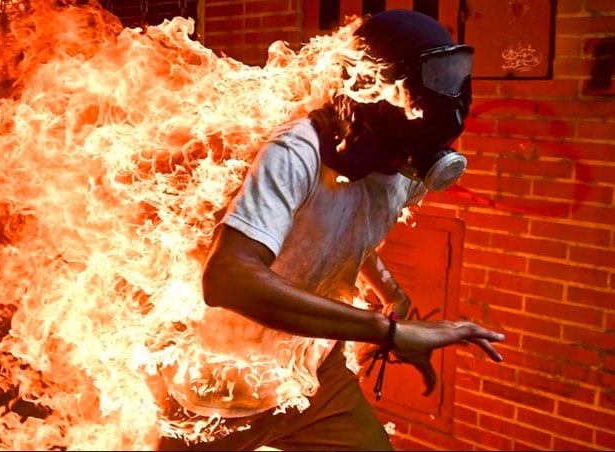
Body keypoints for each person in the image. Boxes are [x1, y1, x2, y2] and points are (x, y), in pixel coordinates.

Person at [156, 9, 505, 451]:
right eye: (400, 156)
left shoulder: (408, 169)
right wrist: (386, 331)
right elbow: (228, 276)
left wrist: (394, 300)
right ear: (376, 93)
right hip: (226, 388)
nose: (405, 171)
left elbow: (347, 234)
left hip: (315, 375)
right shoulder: (296, 152)